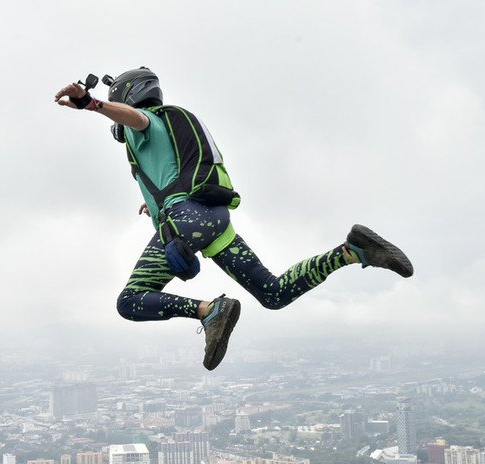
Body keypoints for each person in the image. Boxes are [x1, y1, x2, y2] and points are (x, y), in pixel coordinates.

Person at [54, 67, 413, 370]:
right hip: (212, 219)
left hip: (185, 220)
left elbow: (134, 118)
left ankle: (209, 310)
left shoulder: (148, 123)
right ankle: (353, 251)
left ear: (127, 96)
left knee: (130, 301)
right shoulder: (177, 130)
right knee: (274, 294)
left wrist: (92, 104)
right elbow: (176, 174)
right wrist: (154, 204)